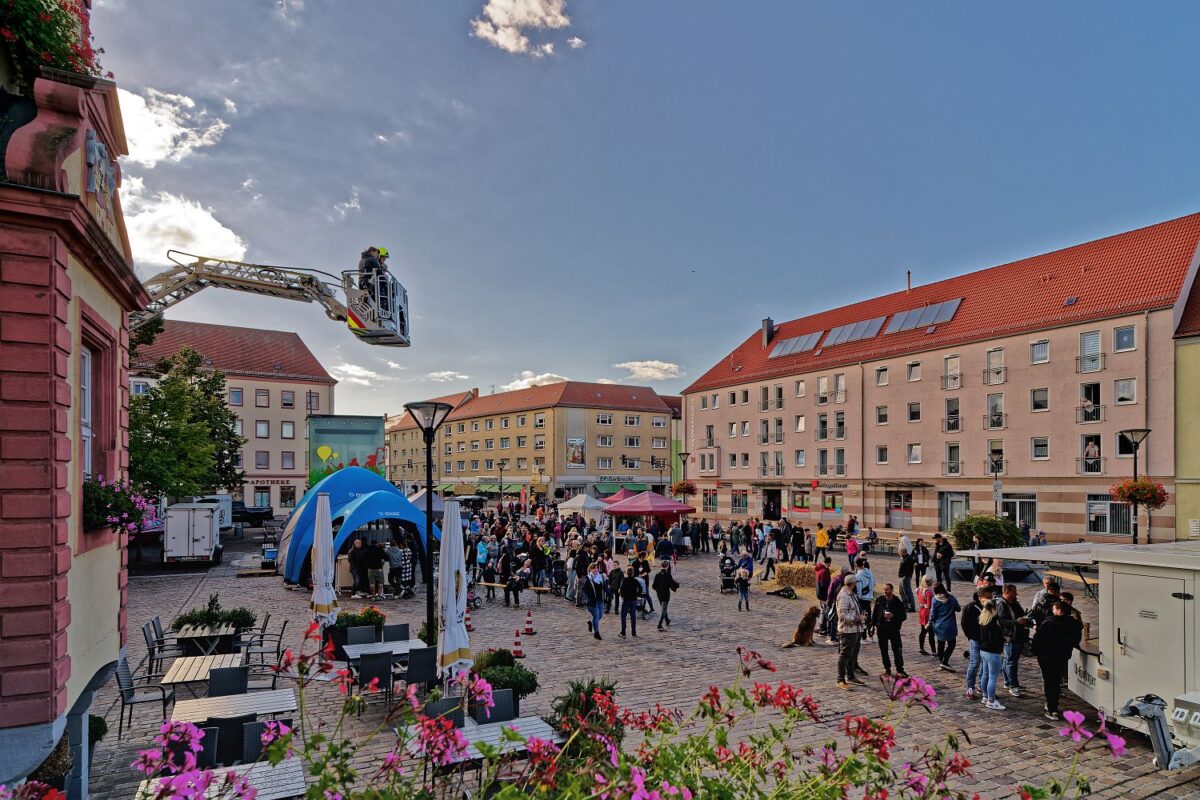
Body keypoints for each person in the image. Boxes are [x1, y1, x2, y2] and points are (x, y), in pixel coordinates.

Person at [1031, 601, 1083, 720]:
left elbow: (1038, 639)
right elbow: (1076, 639)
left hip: (1047, 656)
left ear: (1059, 610)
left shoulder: (1049, 622)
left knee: (1050, 682)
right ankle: (1052, 705)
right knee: (1056, 681)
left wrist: (1036, 651)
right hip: (1062, 656)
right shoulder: (1073, 624)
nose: (1052, 611)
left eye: (1054, 609)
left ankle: (1052, 708)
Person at [998, 583, 1029, 697]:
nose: (1016, 593)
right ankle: (1013, 685)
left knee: (1008, 660)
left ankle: (1008, 682)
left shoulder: (1014, 602)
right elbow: (1002, 622)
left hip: (1018, 635)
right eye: (1014, 591)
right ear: (1007, 592)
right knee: (1011, 662)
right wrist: (1016, 621)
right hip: (1010, 637)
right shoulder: (1002, 604)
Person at [835, 574, 866, 689]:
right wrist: (858, 618)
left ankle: (850, 676)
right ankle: (840, 679)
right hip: (847, 631)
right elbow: (843, 615)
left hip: (855, 630)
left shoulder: (851, 594)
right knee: (845, 654)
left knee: (853, 654)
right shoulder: (843, 596)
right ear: (853, 584)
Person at [977, 594, 1007, 710]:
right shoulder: (993, 623)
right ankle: (991, 700)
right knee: (993, 677)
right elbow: (994, 639)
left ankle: (985, 696)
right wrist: (1004, 639)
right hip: (992, 652)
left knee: (985, 674)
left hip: (983, 650)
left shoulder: (983, 620)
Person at [872, 583, 908, 677]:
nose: (885, 591)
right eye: (884, 590)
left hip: (893, 629)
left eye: (887, 590)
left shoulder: (897, 601)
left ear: (892, 590)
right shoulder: (880, 600)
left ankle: (900, 669)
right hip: (882, 630)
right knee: (884, 650)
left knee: (897, 650)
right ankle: (887, 669)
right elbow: (875, 614)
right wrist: (872, 626)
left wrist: (893, 616)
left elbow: (903, 616)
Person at [929, 583, 961, 671]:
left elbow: (932, 614)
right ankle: (945, 661)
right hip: (950, 625)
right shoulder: (951, 598)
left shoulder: (935, 600)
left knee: (940, 644)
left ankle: (941, 663)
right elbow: (958, 609)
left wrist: (929, 623)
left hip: (939, 625)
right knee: (952, 644)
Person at [961, 589, 985, 700]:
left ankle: (981, 686)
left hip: (986, 640)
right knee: (975, 662)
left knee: (984, 664)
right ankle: (970, 687)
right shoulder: (970, 607)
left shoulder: (989, 607)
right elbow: (965, 624)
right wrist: (971, 636)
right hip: (975, 639)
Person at [581, 562, 605, 641]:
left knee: (600, 616)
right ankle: (596, 633)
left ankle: (591, 623)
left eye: (596, 568)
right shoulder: (588, 579)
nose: (596, 570)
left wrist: (609, 594)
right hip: (592, 602)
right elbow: (584, 590)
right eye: (594, 568)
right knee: (596, 616)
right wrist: (585, 600)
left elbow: (604, 587)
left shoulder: (600, 577)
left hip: (600, 600)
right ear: (590, 569)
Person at [652, 561, 680, 630]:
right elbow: (672, 583)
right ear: (667, 566)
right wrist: (677, 584)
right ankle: (659, 624)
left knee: (663, 608)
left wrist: (658, 590)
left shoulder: (657, 575)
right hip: (666, 594)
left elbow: (654, 586)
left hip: (659, 594)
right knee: (664, 609)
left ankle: (667, 620)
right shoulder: (668, 575)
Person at [854, 558, 876, 640]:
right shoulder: (870, 572)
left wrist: (858, 597)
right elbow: (874, 583)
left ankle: (863, 636)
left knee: (862, 617)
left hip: (862, 599)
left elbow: (859, 590)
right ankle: (871, 635)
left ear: (856, 565)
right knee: (868, 616)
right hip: (869, 598)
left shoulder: (858, 576)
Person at [618, 568, 642, 638]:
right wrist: (637, 595)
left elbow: (621, 589)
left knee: (623, 616)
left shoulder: (624, 580)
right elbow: (640, 588)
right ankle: (634, 633)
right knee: (633, 616)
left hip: (626, 600)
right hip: (633, 600)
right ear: (633, 573)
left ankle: (623, 632)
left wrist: (622, 596)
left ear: (627, 573)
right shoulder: (635, 580)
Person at [916, 576, 935, 656]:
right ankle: (934, 650)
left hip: (921, 611)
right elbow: (930, 605)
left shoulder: (919, 589)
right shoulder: (929, 592)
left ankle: (921, 647)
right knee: (931, 632)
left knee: (923, 631)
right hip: (927, 612)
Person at [898, 547, 916, 612]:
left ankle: (911, 606)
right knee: (902, 592)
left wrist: (905, 576)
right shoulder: (905, 558)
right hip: (902, 577)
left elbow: (909, 570)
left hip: (905, 578)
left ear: (904, 552)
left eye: (900, 552)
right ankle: (905, 605)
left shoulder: (908, 559)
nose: (899, 553)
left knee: (907, 592)